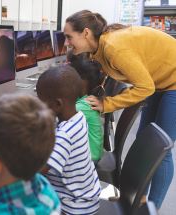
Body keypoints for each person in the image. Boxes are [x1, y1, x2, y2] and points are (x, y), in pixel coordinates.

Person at [64, 9, 176, 209]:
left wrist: (107, 105)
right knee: (144, 139)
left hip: (172, 82)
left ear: (86, 33)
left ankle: (152, 208)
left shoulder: (114, 47)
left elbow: (145, 87)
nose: (67, 43)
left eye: (69, 37)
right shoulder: (100, 48)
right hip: (160, 81)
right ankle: (140, 199)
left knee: (161, 149)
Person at [36, 65, 101, 215]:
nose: (38, 106)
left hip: (73, 208)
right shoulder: (78, 118)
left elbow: (37, 173)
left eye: (40, 101)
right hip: (87, 199)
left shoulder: (64, 136)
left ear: (58, 104)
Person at [68, 52, 105, 162]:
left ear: (81, 82)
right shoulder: (88, 98)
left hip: (91, 157)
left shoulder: (83, 106)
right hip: (93, 152)